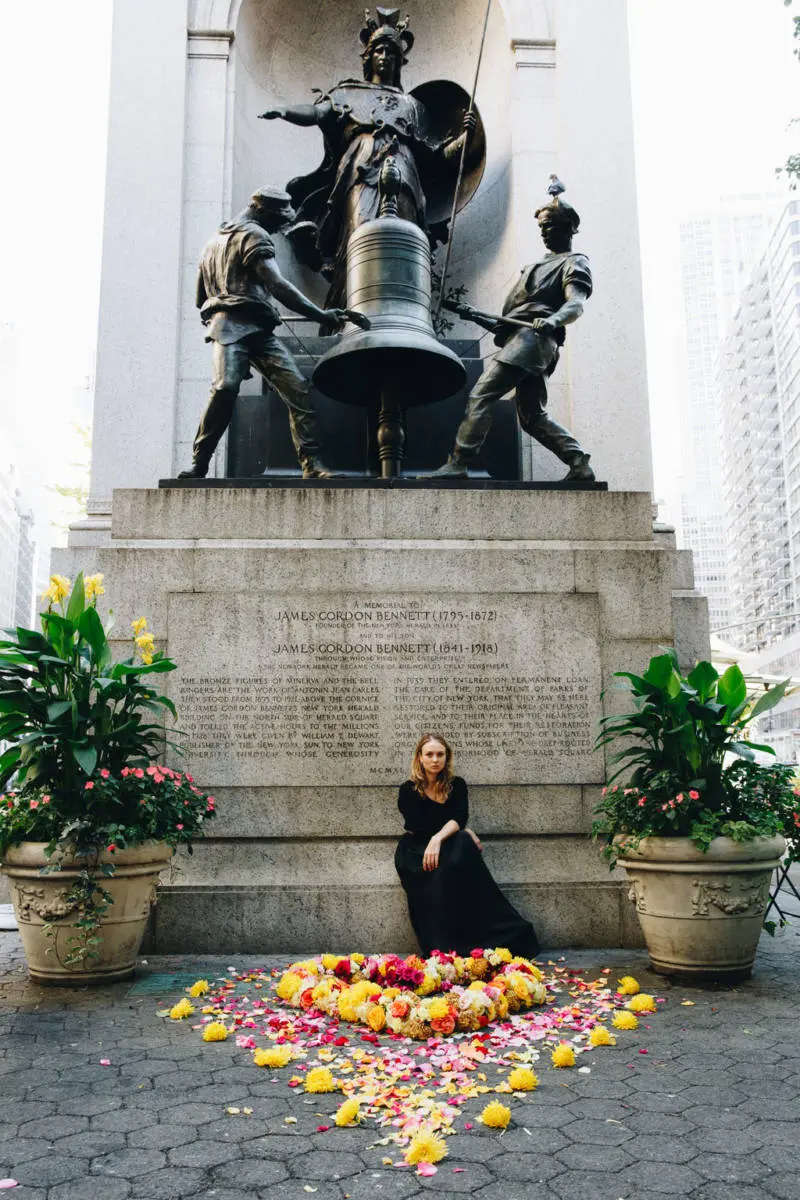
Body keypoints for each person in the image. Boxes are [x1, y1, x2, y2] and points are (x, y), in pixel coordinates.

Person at [258, 7, 476, 306]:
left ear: (400, 60)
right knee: (360, 229)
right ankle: (353, 306)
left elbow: (435, 157)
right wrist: (286, 110)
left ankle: (404, 306)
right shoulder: (348, 92)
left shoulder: (413, 105)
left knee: (404, 233)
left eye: (392, 52)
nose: (385, 57)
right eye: (379, 50)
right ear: (368, 56)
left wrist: (467, 138)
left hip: (405, 174)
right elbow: (318, 112)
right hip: (360, 170)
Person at [178, 186, 348, 480]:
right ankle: (199, 464)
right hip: (233, 328)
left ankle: (312, 464)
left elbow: (199, 299)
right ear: (261, 211)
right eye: (278, 222)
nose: (279, 229)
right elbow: (278, 285)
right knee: (224, 388)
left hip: (254, 331)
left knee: (295, 387)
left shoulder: (210, 244)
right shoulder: (254, 235)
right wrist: (321, 314)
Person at [432, 195, 595, 481]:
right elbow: (508, 325)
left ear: (569, 228)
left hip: (532, 342)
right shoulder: (534, 268)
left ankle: (459, 462)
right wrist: (472, 315)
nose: (544, 232)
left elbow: (575, 303)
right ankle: (578, 461)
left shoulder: (575, 263)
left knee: (481, 395)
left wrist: (553, 320)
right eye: (542, 227)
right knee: (533, 417)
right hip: (522, 340)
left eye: (550, 226)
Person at [394, 733, 539, 958]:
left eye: (440, 754)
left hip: (445, 845)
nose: (435, 759)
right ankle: (444, 946)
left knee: (462, 846)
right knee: (458, 846)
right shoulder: (408, 790)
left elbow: (459, 815)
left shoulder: (456, 785)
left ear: (447, 757)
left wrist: (443, 836)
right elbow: (421, 825)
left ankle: (490, 933)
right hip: (416, 853)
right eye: (429, 754)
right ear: (419, 758)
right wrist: (457, 830)